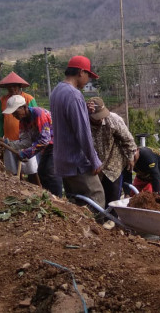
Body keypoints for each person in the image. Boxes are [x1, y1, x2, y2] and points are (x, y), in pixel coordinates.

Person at [49, 56, 105, 208]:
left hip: (63, 162)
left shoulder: (56, 91)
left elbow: (66, 120)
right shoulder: (74, 95)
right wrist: (94, 160)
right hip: (77, 163)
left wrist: (83, 111)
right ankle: (94, 231)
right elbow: (82, 133)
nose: (88, 80)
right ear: (81, 72)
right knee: (96, 201)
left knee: (76, 205)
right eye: (88, 76)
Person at [0, 95, 63, 196]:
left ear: (24, 107)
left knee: (50, 172)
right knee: (42, 172)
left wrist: (25, 153)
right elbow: (25, 141)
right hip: (46, 147)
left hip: (58, 143)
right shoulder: (23, 121)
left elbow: (44, 140)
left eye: (15, 112)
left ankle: (58, 198)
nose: (14, 115)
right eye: (13, 113)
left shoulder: (38, 114)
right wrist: (7, 143)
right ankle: (49, 197)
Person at [87, 97, 137, 207]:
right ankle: (100, 219)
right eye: (96, 118)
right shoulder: (83, 124)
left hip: (113, 163)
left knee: (113, 196)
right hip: (94, 165)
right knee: (97, 196)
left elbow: (128, 140)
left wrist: (130, 157)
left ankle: (112, 220)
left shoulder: (113, 120)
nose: (100, 119)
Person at [0, 71, 38, 176]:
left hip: (26, 141)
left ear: (19, 87)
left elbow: (35, 120)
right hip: (9, 141)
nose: (12, 89)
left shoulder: (29, 99)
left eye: (15, 87)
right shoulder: (3, 101)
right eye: (9, 87)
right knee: (12, 171)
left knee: (32, 170)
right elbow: (1, 120)